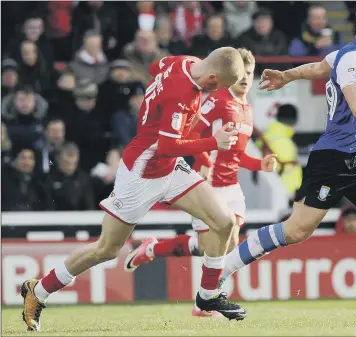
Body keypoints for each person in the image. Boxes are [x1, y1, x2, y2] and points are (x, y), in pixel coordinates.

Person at [217, 1, 356, 323]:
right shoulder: (354, 57)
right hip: (334, 159)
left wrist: (287, 75)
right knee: (295, 231)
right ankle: (222, 269)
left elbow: (318, 67)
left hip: (355, 159)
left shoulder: (348, 56)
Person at [20, 47, 248, 332]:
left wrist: (153, 110)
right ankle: (38, 290)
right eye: (219, 87)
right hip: (141, 173)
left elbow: (155, 66)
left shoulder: (182, 61)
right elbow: (166, 146)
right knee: (106, 249)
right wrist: (213, 143)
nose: (215, 93)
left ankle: (208, 296)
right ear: (213, 77)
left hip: (169, 167)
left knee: (224, 222)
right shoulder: (183, 95)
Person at [123, 48, 277, 317]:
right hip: (211, 184)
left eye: (249, 73)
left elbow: (235, 154)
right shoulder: (216, 101)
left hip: (233, 186)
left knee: (226, 246)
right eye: (241, 73)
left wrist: (257, 164)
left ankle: (204, 297)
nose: (244, 79)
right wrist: (205, 160)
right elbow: (193, 133)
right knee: (213, 246)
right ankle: (164, 260)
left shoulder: (246, 108)